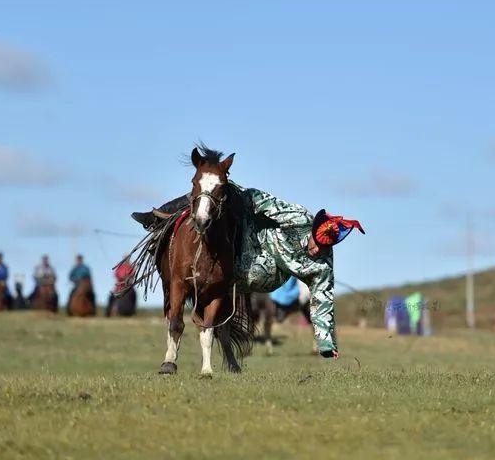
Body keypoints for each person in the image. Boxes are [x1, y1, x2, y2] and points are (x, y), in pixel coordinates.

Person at [131, 150, 364, 358]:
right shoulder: (298, 217)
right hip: (249, 240)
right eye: (316, 244)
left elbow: (323, 298)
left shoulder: (322, 264)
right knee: (211, 194)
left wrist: (325, 344)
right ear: (311, 230)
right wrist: (230, 190)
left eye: (322, 249)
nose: (316, 250)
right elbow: (266, 202)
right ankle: (159, 215)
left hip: (268, 275)